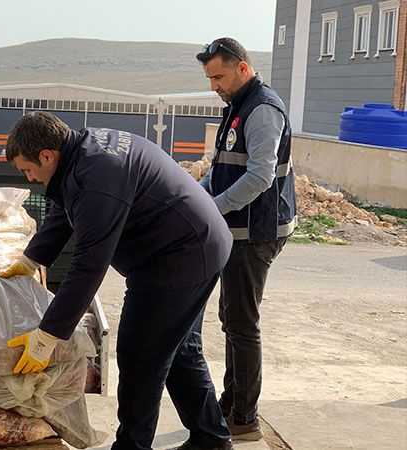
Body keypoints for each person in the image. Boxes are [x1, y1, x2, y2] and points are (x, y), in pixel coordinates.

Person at [0, 112, 234, 450]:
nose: (30, 178)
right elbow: (66, 208)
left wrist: (47, 335)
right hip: (197, 242)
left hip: (178, 258)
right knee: (178, 348)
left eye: (28, 169)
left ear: (47, 155)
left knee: (140, 356)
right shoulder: (82, 153)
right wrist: (31, 258)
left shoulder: (97, 176)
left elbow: (89, 265)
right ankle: (212, 439)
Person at [196, 37, 297, 441]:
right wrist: (197, 195)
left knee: (241, 323)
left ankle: (244, 417)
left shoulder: (262, 109)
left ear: (242, 68)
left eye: (218, 76)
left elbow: (259, 175)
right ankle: (232, 400)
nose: (213, 85)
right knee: (233, 319)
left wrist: (212, 208)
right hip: (236, 228)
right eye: (209, 78)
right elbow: (223, 165)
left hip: (255, 232)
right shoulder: (237, 105)